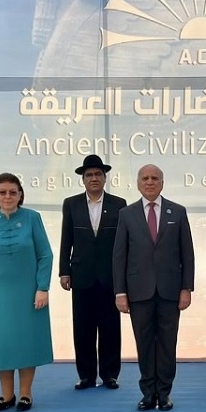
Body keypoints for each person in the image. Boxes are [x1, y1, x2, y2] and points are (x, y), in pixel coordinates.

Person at [113, 164, 194, 411]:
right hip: (138, 292)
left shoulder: (177, 212)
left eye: (155, 178)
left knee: (168, 344)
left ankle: (165, 393)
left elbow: (187, 254)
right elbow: (119, 256)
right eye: (145, 178)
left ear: (162, 183)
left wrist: (186, 288)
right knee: (145, 344)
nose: (150, 182)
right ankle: (148, 393)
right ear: (138, 183)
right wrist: (120, 292)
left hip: (170, 291)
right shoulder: (126, 214)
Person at [0, 172, 53, 412]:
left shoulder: (32, 218)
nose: (8, 196)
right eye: (3, 192)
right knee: (2, 343)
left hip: (28, 294)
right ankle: (6, 395)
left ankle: (26, 394)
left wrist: (42, 288)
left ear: (20, 195)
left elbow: (45, 255)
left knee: (27, 341)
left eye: (13, 192)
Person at [58, 154, 126, 390]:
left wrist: (124, 274)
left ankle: (110, 375)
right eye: (89, 175)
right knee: (83, 328)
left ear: (105, 178)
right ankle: (86, 375)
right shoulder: (71, 204)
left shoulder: (119, 204)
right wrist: (64, 271)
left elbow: (123, 243)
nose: (94, 178)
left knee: (110, 327)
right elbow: (66, 238)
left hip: (110, 276)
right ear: (83, 179)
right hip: (81, 275)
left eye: (98, 174)